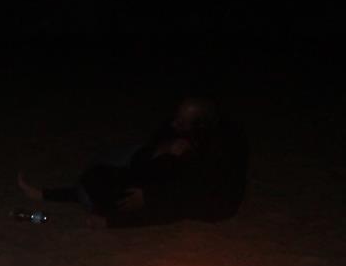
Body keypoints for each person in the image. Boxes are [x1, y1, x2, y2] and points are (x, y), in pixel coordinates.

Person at [17, 97, 248, 228]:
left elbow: (180, 202)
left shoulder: (216, 152)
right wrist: (163, 149)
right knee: (127, 162)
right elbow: (151, 148)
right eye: (176, 118)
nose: (174, 124)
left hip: (204, 203)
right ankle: (46, 194)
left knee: (123, 187)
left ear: (199, 126)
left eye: (181, 122)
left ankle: (53, 195)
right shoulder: (185, 137)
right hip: (152, 178)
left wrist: (146, 198)